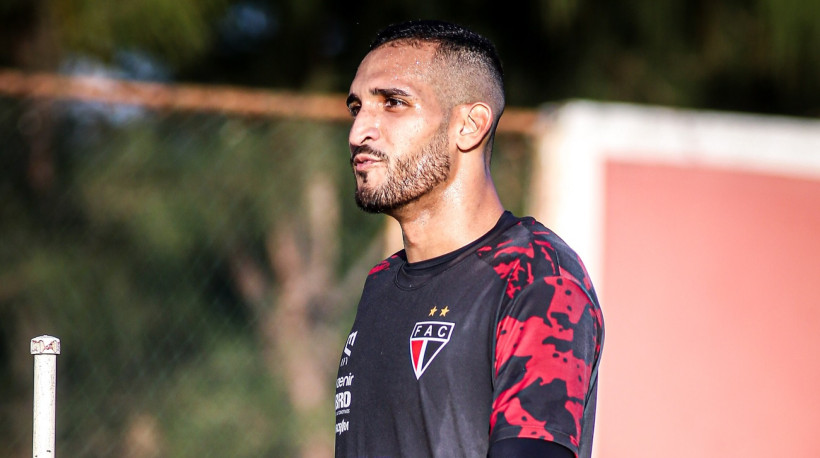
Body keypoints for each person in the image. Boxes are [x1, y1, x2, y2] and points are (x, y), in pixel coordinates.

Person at [335, 19, 604, 458]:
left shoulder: (535, 276)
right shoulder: (381, 283)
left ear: (470, 126)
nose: (358, 132)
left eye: (393, 103)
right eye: (357, 108)